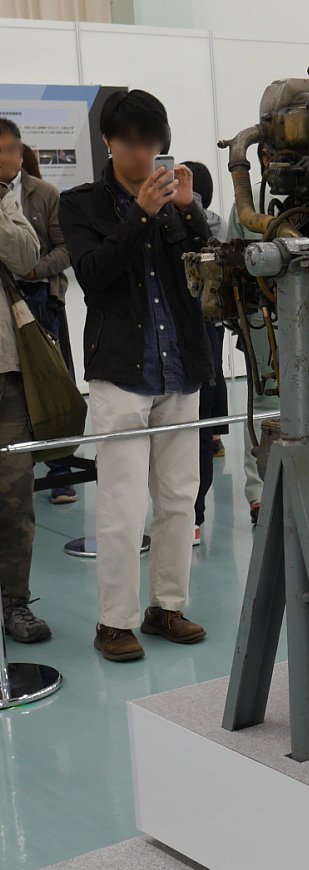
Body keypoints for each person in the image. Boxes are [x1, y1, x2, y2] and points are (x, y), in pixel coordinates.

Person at [60, 89, 212, 662]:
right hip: (121, 371)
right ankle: (114, 622)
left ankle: (166, 607)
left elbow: (209, 271)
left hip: (181, 367)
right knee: (122, 508)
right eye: (129, 141)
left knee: (179, 499)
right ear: (108, 141)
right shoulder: (81, 204)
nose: (141, 153)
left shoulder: (175, 201)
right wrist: (140, 215)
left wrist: (189, 211)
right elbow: (94, 275)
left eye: (151, 142)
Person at [0, 118, 78, 504]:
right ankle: (21, 468)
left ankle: (61, 470)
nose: (4, 157)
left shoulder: (44, 193)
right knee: (16, 392)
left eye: (9, 149)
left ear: (21, 151)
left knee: (51, 384)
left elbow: (66, 247)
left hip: (40, 299)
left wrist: (36, 270)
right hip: (6, 303)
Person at [0, 145, 48, 643]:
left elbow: (27, 255)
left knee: (15, 498)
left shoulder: (3, 200)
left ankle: (15, 602)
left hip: (7, 372)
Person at [226, 143, 280, 527]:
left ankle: (265, 493)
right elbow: (233, 260)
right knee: (263, 400)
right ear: (264, 158)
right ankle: (260, 493)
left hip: (299, 315)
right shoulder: (250, 201)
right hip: (263, 314)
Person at [186, 160, 228, 544]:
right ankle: (194, 516)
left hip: (193, 334)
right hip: (210, 331)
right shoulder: (218, 223)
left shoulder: (202, 222)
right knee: (200, 427)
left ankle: (193, 515)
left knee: (194, 429)